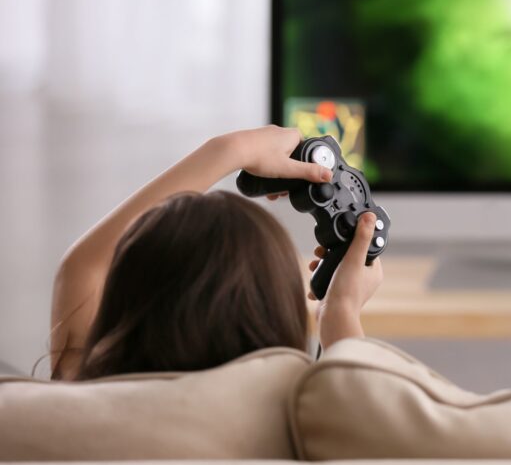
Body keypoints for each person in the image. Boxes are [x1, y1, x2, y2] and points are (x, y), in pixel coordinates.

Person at [49, 126, 382, 380]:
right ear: (278, 319)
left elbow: (83, 268)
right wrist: (341, 313)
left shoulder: (79, 400)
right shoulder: (295, 435)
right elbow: (365, 418)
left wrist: (228, 150)